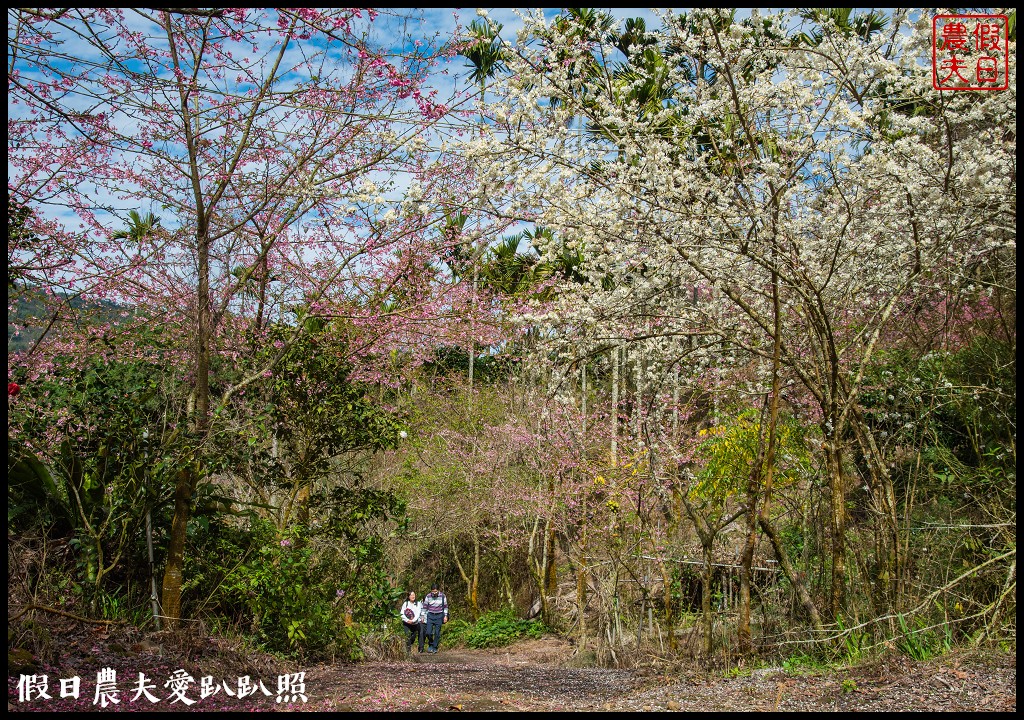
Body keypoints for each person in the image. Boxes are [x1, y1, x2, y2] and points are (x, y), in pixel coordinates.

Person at [421, 583, 448, 653]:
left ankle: (435, 647)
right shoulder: (428, 596)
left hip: (439, 616)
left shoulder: (443, 596)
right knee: (428, 632)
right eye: (433, 591)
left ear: (438, 590)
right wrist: (422, 616)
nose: (434, 593)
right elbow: (425, 607)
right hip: (430, 615)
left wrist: (445, 616)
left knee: (437, 633)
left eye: (436, 591)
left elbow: (445, 607)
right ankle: (431, 644)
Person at [398, 590, 424, 655]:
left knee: (413, 637)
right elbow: (402, 613)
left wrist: (413, 621)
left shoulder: (418, 604)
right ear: (409, 596)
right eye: (411, 595)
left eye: (414, 595)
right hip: (406, 623)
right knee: (407, 635)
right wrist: (407, 620)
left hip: (415, 623)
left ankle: (409, 645)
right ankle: (408, 652)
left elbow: (418, 613)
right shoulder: (405, 604)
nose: (413, 596)